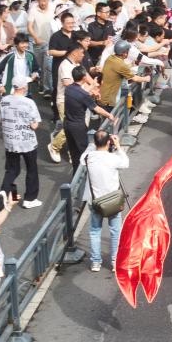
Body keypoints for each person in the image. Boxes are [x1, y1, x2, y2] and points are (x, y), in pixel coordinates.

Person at [82, 130, 129, 272]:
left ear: (95, 142)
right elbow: (125, 163)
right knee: (115, 231)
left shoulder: (88, 158)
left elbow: (84, 155)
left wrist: (93, 144)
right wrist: (118, 146)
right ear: (109, 142)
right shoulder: (113, 158)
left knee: (95, 231)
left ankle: (96, 262)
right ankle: (115, 261)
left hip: (95, 202)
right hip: (113, 201)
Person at [0, 75, 42, 207]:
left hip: (10, 141)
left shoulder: (4, 100)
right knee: (31, 169)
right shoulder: (29, 103)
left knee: (12, 169)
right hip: (27, 141)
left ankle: (4, 191)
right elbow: (35, 125)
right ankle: (30, 199)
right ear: (24, 87)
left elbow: (0, 118)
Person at [63, 66, 115, 171]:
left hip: (67, 124)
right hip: (78, 126)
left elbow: (81, 92)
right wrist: (109, 115)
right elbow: (97, 109)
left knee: (74, 153)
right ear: (83, 77)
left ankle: (75, 175)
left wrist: (92, 86)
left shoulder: (69, 89)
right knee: (84, 152)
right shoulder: (83, 95)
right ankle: (86, 175)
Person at [0, 33, 38, 100]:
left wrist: (35, 74)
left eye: (26, 43)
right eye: (22, 43)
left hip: (25, 90)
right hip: (10, 91)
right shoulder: (10, 57)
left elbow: (36, 68)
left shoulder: (30, 55)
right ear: (16, 44)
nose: (25, 45)